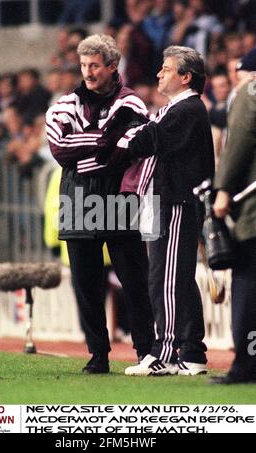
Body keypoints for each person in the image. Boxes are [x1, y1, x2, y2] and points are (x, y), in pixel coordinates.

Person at [45, 34, 154, 374]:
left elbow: (131, 147)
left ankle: (146, 352)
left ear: (112, 66)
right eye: (83, 65)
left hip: (121, 196)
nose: (87, 72)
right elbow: (60, 150)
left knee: (134, 280)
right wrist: (104, 143)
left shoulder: (132, 103)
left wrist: (91, 153)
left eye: (94, 65)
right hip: (77, 197)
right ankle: (98, 355)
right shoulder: (65, 103)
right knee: (86, 284)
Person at [117, 45, 215, 376]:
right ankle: (192, 352)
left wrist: (127, 136)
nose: (159, 73)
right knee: (178, 279)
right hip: (164, 201)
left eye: (167, 69)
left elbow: (145, 140)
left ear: (186, 77)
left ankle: (167, 352)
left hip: (175, 203)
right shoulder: (178, 109)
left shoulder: (187, 110)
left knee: (166, 279)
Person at [211, 48, 256, 384]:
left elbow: (237, 141)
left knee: (248, 287)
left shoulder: (248, 94)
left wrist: (223, 189)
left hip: (252, 211)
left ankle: (246, 363)